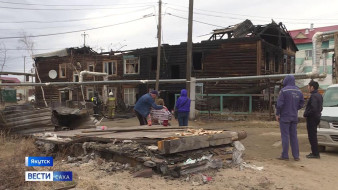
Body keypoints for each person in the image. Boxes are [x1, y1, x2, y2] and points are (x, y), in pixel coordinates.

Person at [276, 75, 304, 161]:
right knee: (294, 136)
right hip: (294, 116)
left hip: (285, 116)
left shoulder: (283, 91)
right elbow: (301, 104)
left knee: (285, 136)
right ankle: (296, 156)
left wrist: (277, 114)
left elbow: (279, 104)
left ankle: (285, 155)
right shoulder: (299, 91)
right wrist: (295, 108)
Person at [304, 80, 323, 159]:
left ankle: (315, 153)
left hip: (312, 118)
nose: (308, 88)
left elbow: (314, 108)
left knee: (312, 136)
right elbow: (320, 108)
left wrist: (306, 113)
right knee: (313, 135)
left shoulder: (314, 96)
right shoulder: (319, 95)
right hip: (316, 117)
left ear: (312, 87)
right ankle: (315, 152)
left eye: (309, 86)